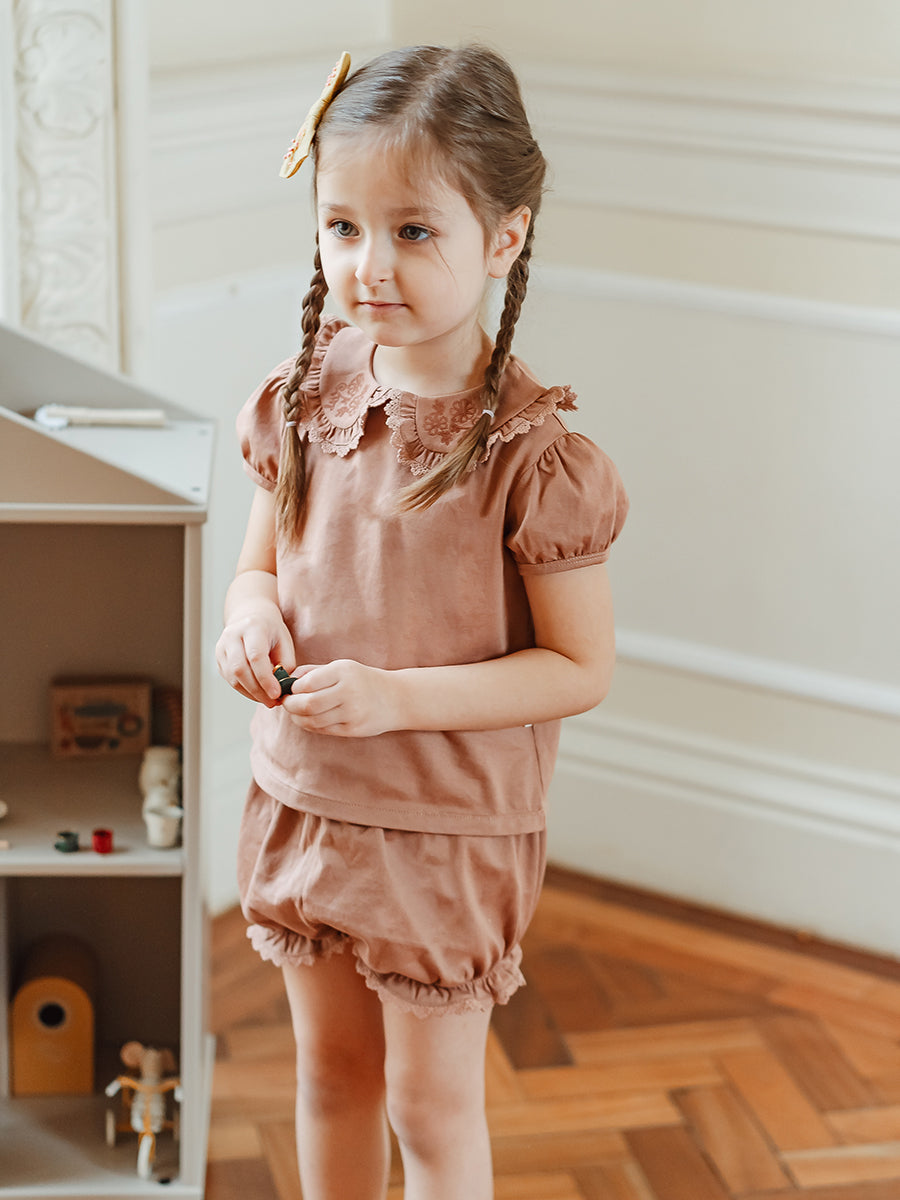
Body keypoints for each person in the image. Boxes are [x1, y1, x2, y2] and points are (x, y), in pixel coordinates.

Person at [216, 43, 628, 1200]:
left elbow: (578, 666)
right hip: (307, 799)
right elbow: (257, 570)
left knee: (429, 1109)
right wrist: (247, 620)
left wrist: (396, 699)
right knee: (331, 1080)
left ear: (503, 238)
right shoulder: (304, 398)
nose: (369, 264)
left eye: (411, 230)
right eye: (342, 227)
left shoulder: (535, 461)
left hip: (445, 830)